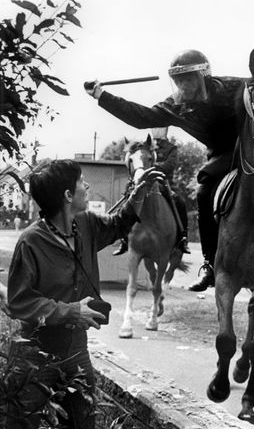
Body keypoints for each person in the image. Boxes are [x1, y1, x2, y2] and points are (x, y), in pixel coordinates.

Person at [85, 49, 254, 292]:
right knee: (203, 192)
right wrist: (101, 95)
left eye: (189, 78)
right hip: (222, 158)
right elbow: (140, 117)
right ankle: (210, 264)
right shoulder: (175, 107)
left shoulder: (234, 86)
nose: (184, 85)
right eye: (179, 80)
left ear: (203, 75)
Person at [6, 159, 165, 429]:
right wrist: (71, 311)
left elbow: (120, 224)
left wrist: (138, 193)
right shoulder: (31, 241)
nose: (87, 185)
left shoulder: (86, 224)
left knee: (84, 422)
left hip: (76, 349)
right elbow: (19, 302)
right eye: (81, 181)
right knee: (21, 424)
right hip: (35, 353)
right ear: (68, 196)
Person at [113, 126, 190, 255]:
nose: (158, 130)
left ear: (166, 130)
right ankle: (124, 239)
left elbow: (170, 165)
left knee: (180, 202)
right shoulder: (144, 145)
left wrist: (151, 167)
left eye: (161, 128)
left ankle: (182, 238)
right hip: (141, 180)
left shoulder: (172, 148)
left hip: (164, 181)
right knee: (125, 198)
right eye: (155, 127)